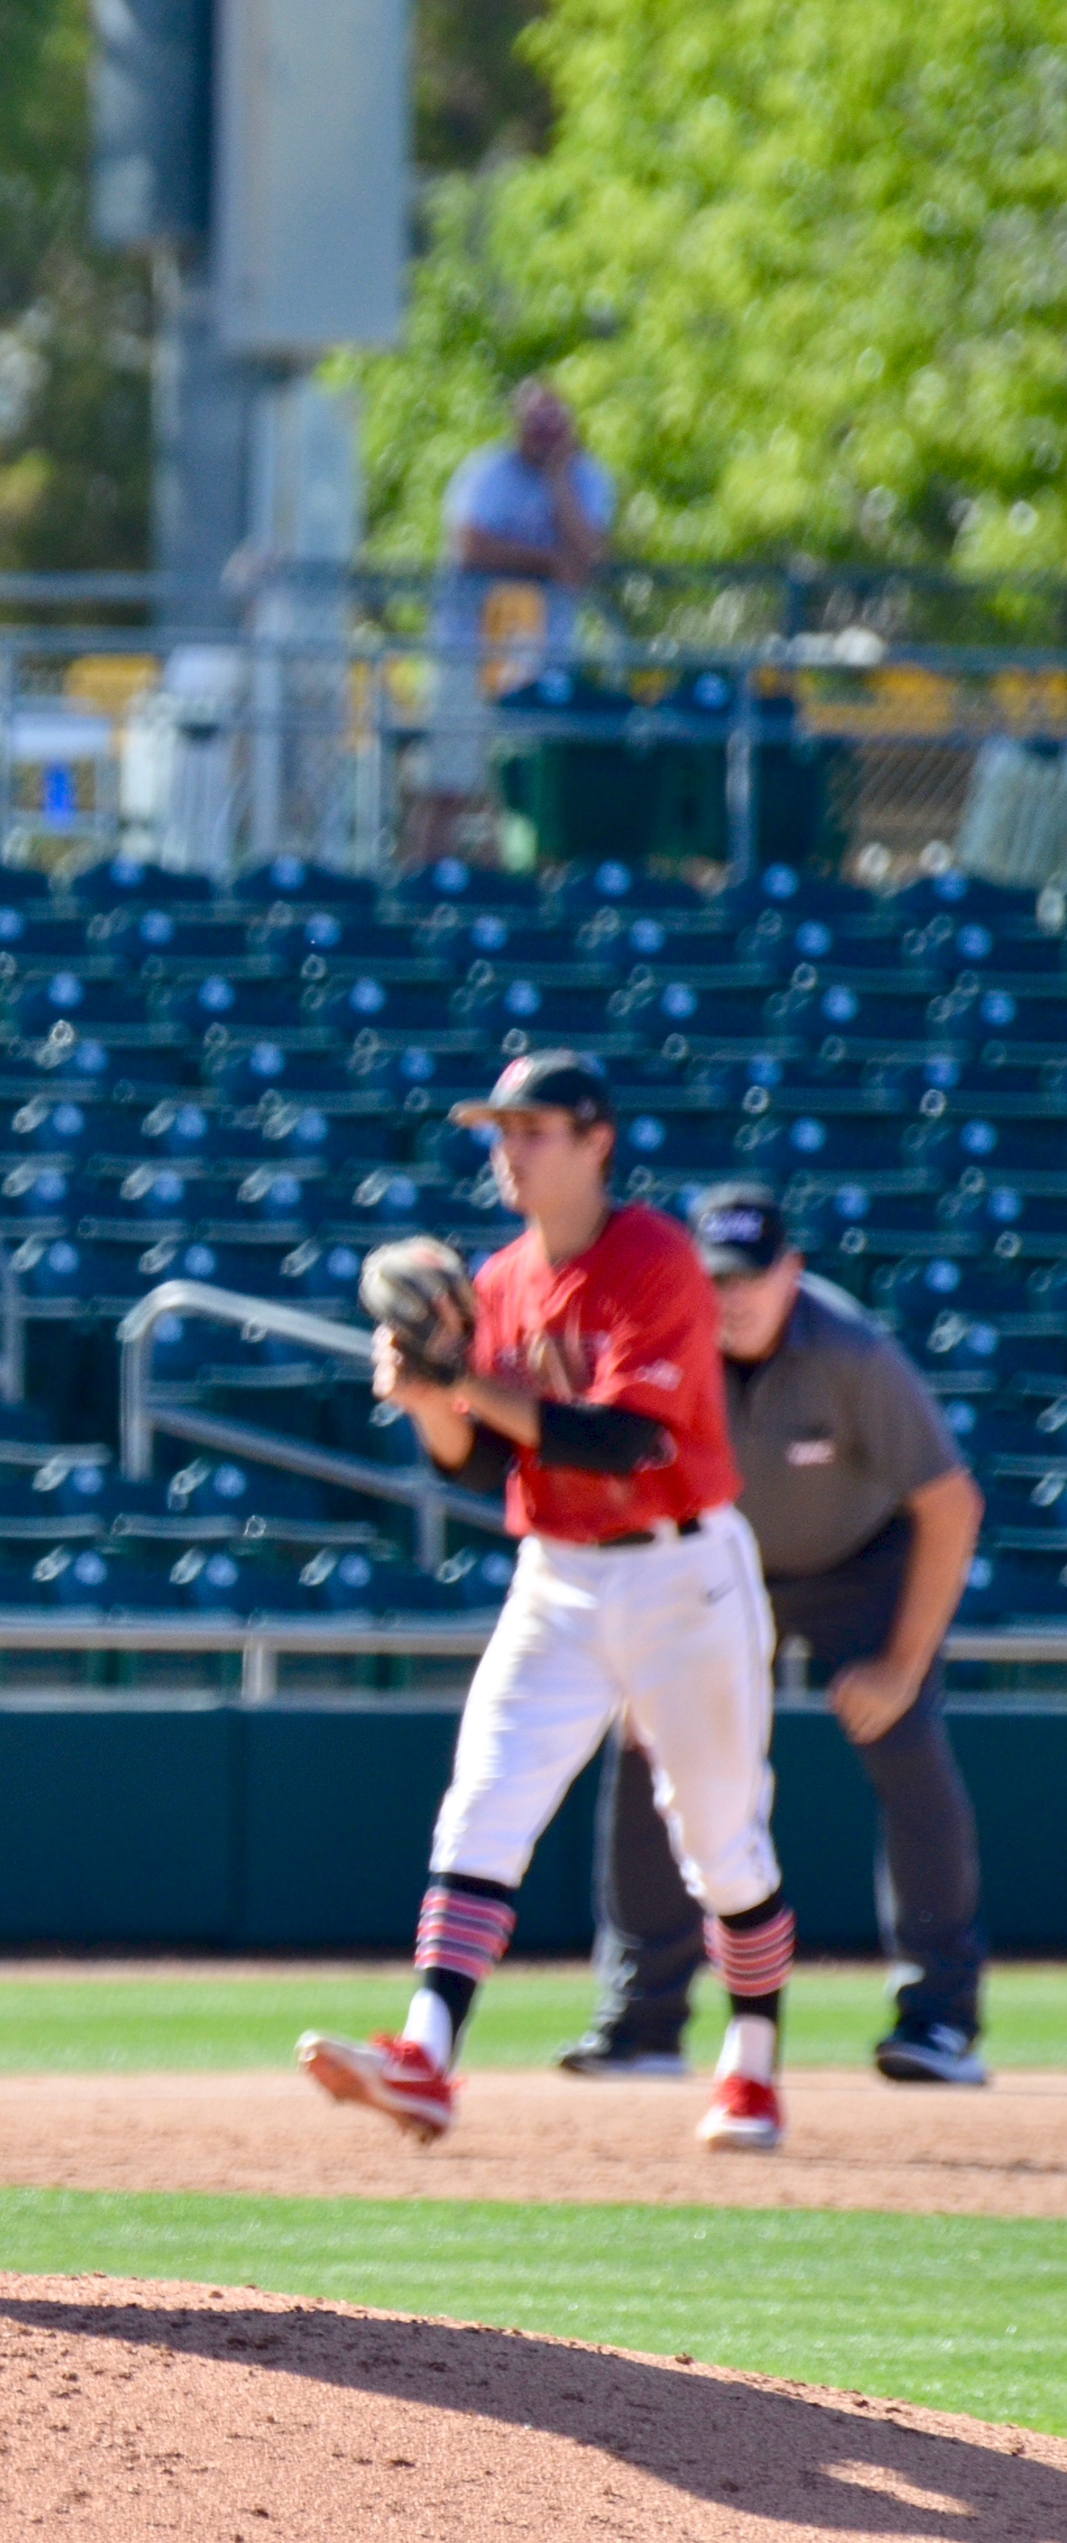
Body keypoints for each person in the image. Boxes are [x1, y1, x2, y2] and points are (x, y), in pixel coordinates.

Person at [301, 1051, 796, 2153]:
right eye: (500, 1130)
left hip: (684, 1571)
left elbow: (626, 1435)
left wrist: (462, 1381)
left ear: (595, 1140)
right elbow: (479, 1463)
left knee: (720, 1840)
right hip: (560, 1572)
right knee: (484, 1799)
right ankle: (427, 2052)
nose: (509, 1150)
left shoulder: (658, 1257)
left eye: (533, 1129)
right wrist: (429, 1401)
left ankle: (753, 2062)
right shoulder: (503, 1278)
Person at [562, 1185, 990, 2087]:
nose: (732, 1295)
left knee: (906, 1748)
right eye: (714, 1276)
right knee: (647, 1750)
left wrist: (900, 1665)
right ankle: (643, 2021)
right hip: (714, 1564)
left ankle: (940, 2019)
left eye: (752, 1275)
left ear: (791, 1272)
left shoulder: (850, 1350)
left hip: (858, 1562)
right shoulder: (664, 1343)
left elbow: (951, 1503)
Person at [407, 381, 619, 864]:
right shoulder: (485, 473)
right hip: (469, 651)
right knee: (449, 785)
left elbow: (587, 560)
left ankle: (519, 901)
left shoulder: (587, 478)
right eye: (534, 423)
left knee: (537, 793)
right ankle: (422, 893)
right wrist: (545, 562)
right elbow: (471, 545)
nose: (543, 433)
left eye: (553, 423)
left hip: (544, 660)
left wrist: (559, 480)